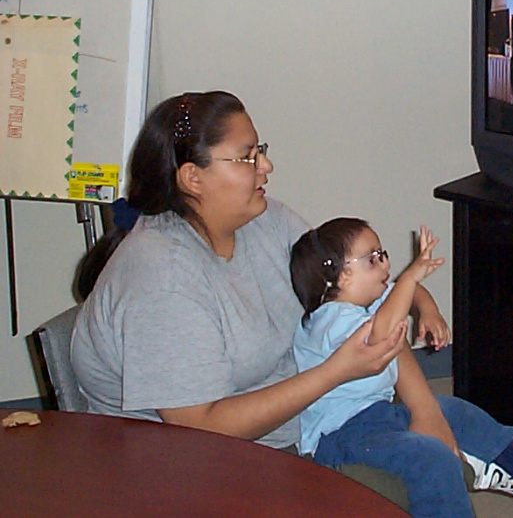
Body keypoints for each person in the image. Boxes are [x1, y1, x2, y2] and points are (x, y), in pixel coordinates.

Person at [69, 90, 443, 503]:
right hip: (194, 472)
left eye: (259, 150)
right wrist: (336, 372)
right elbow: (197, 429)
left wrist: (427, 412)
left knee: (456, 428)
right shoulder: (163, 280)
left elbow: (365, 300)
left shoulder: (268, 222)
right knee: (428, 476)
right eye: (247, 156)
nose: (266, 166)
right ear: (193, 177)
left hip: (309, 424)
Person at [290, 217, 513, 518]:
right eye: (372, 259)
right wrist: (410, 278)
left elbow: (406, 295)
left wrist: (428, 310)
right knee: (430, 457)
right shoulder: (327, 320)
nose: (385, 265)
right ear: (341, 276)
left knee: (452, 410)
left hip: (378, 414)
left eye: (382, 254)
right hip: (340, 437)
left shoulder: (366, 304)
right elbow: (381, 333)